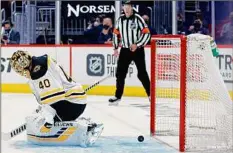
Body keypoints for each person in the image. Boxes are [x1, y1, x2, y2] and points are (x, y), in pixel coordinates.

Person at [10, 50, 104, 146]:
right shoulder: (45, 59)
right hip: (75, 99)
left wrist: (48, 119)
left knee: (41, 121)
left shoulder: (37, 75)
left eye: (19, 70)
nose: (20, 73)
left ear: (24, 67)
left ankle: (84, 129)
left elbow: (55, 98)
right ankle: (81, 123)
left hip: (71, 104)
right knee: (42, 112)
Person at [109, 1, 151, 105]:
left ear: (132, 8)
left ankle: (151, 94)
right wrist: (115, 48)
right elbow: (115, 34)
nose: (126, 8)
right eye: (125, 6)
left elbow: (146, 33)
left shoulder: (138, 18)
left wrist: (137, 44)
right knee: (120, 74)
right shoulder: (120, 19)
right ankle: (117, 96)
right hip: (125, 50)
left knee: (142, 74)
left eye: (129, 6)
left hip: (138, 50)